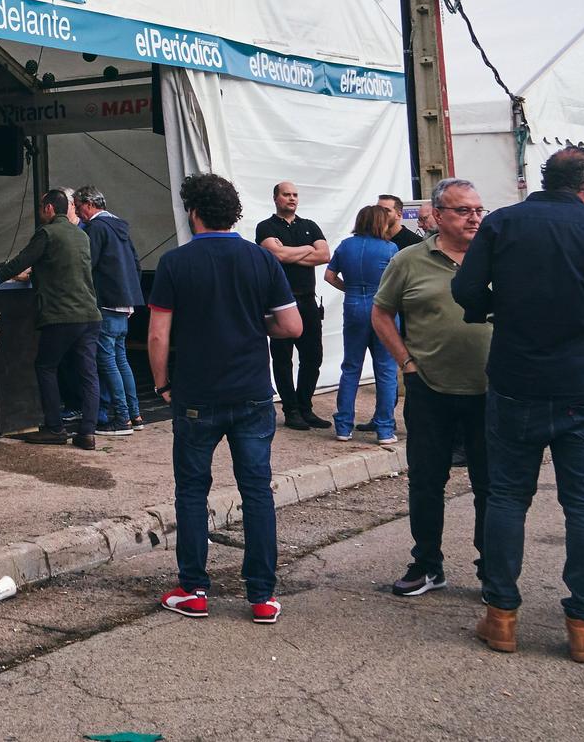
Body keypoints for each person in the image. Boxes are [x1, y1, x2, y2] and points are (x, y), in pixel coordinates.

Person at [455, 146, 584, 663]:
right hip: (582, 385)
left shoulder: (503, 224)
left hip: (515, 380)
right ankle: (583, 626)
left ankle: (501, 617)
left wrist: (495, 308)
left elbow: (467, 288)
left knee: (505, 496)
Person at [147, 173, 301, 625]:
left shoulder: (175, 263)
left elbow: (158, 334)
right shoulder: (261, 260)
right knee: (257, 493)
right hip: (252, 392)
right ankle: (261, 596)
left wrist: (161, 385)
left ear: (193, 212)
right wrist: (256, 328)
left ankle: (193, 589)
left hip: (196, 394)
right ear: (234, 211)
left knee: (192, 492)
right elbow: (292, 327)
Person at [369, 178, 494, 598]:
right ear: (438, 216)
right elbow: (381, 314)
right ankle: (427, 564)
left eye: (479, 209)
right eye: (463, 210)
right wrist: (406, 363)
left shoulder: (499, 256)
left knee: (490, 484)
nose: (474, 217)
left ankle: (491, 566)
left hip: (490, 391)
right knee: (426, 481)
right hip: (430, 389)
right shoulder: (408, 260)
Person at [0, 189, 105, 449]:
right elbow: (65, 268)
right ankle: (88, 432)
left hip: (61, 314)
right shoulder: (81, 234)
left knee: (46, 366)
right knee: (88, 373)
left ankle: (55, 428)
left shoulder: (46, 233)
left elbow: (20, 262)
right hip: (90, 314)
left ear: (48, 209)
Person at [255, 182, 330, 430]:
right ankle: (291, 410)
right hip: (279, 302)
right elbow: (277, 256)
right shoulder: (266, 227)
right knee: (283, 358)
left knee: (313, 356)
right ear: (275, 198)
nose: (292, 198)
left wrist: (292, 251)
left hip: (308, 300)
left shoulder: (309, 226)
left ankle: (305, 406)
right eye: (286, 194)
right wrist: (307, 250)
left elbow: (324, 255)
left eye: (295, 195)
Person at [324, 205, 400, 444]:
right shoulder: (389, 248)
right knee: (386, 369)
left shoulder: (346, 245)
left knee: (351, 367)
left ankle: (344, 427)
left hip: (354, 305)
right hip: (383, 307)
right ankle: (385, 430)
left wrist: (351, 289)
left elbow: (329, 276)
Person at [75, 187, 145, 436]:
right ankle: (135, 414)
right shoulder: (120, 227)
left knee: (107, 361)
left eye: (77, 205)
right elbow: (136, 263)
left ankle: (122, 418)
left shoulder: (96, 229)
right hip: (125, 301)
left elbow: (87, 263)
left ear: (88, 204)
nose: (77, 212)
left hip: (105, 301)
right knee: (121, 359)